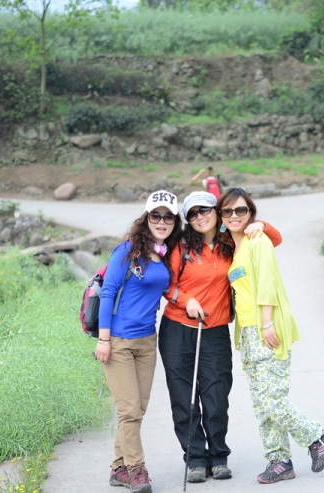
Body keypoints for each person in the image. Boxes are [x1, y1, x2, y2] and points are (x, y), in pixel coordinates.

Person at [159, 191, 282, 483]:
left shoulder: (231, 243)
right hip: (178, 329)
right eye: (192, 213)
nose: (199, 217)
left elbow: (275, 239)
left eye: (205, 210)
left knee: (216, 398)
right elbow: (165, 284)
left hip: (214, 331)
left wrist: (261, 225)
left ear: (217, 212)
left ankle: (218, 457)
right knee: (184, 399)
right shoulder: (181, 246)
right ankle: (195, 460)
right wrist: (186, 300)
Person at [217, 187, 324, 484]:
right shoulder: (234, 249)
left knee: (273, 402)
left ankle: (316, 436)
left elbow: (267, 283)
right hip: (248, 334)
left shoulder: (258, 241)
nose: (234, 215)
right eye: (227, 211)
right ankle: (279, 460)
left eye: (240, 210)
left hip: (267, 328)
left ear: (250, 213)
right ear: (221, 216)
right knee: (262, 404)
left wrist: (267, 323)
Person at [95, 190, 182, 493]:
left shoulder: (165, 253)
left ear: (175, 222)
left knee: (138, 409)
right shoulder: (128, 250)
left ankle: (118, 468)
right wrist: (103, 339)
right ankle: (136, 470)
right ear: (146, 217)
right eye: (156, 215)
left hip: (147, 341)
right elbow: (108, 292)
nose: (162, 221)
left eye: (168, 216)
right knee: (129, 410)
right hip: (118, 341)